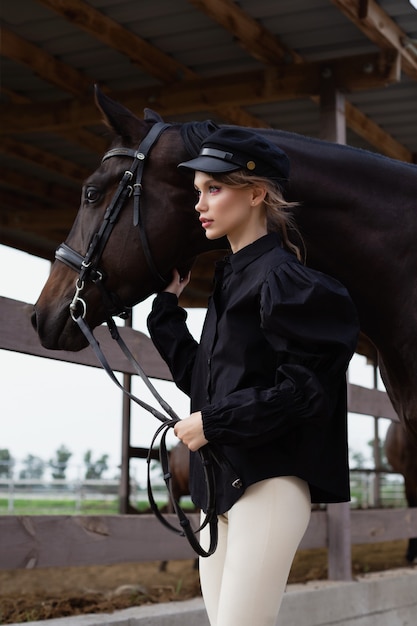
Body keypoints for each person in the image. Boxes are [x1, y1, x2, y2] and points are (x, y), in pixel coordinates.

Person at [147, 128, 359, 626]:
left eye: (213, 189)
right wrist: (165, 312)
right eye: (198, 191)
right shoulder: (230, 278)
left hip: (267, 485)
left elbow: (306, 392)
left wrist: (213, 423)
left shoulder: (286, 280)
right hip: (215, 487)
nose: (199, 203)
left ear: (256, 192)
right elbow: (205, 383)